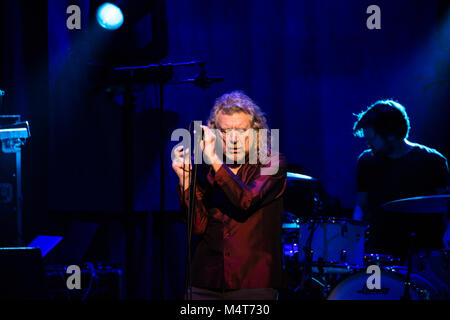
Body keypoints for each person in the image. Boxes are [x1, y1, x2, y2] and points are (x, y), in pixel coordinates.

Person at [172, 91, 286, 300]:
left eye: (241, 131)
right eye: (226, 131)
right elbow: (197, 226)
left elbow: (246, 200)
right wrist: (185, 181)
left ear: (255, 132)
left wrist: (215, 160)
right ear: (215, 133)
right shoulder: (205, 171)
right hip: (206, 281)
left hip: (252, 283)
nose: (233, 139)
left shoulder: (272, 163)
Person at [352, 99, 449, 259]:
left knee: (420, 285)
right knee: (372, 284)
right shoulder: (366, 161)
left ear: (391, 135)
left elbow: (446, 205)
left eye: (373, 139)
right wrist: (353, 236)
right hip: (377, 253)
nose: (369, 144)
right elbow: (361, 205)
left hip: (423, 255)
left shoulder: (432, 161)